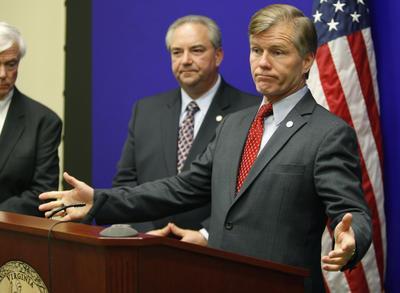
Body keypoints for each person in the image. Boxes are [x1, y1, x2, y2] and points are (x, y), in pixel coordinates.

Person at [39, 4, 371, 292]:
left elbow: (351, 211)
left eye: (278, 52)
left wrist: (351, 238)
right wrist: (100, 200)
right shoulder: (235, 125)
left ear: (306, 60)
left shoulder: (328, 133)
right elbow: (181, 188)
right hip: (215, 282)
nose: (263, 63)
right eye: (256, 50)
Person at [112, 15, 260, 232]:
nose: (186, 60)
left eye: (197, 50)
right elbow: (125, 182)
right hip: (148, 246)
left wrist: (206, 234)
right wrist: (144, 230)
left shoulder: (249, 111)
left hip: (212, 251)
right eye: (177, 52)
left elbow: (252, 192)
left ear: (218, 55)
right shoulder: (145, 110)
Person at [0, 21, 62, 216]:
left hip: (12, 234)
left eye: (10, 64)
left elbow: (42, 193)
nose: (3, 74)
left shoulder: (44, 122)